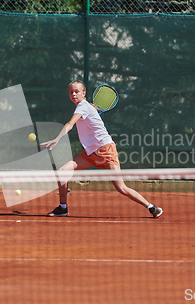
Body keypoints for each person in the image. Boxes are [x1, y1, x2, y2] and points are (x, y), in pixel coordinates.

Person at [41, 80, 163, 218]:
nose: (74, 94)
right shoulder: (85, 107)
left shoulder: (83, 107)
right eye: (71, 92)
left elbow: (70, 124)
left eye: (77, 92)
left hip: (105, 150)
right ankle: (63, 208)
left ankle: (152, 207)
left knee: (121, 187)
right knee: (63, 171)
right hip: (90, 153)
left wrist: (56, 139)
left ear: (84, 93)